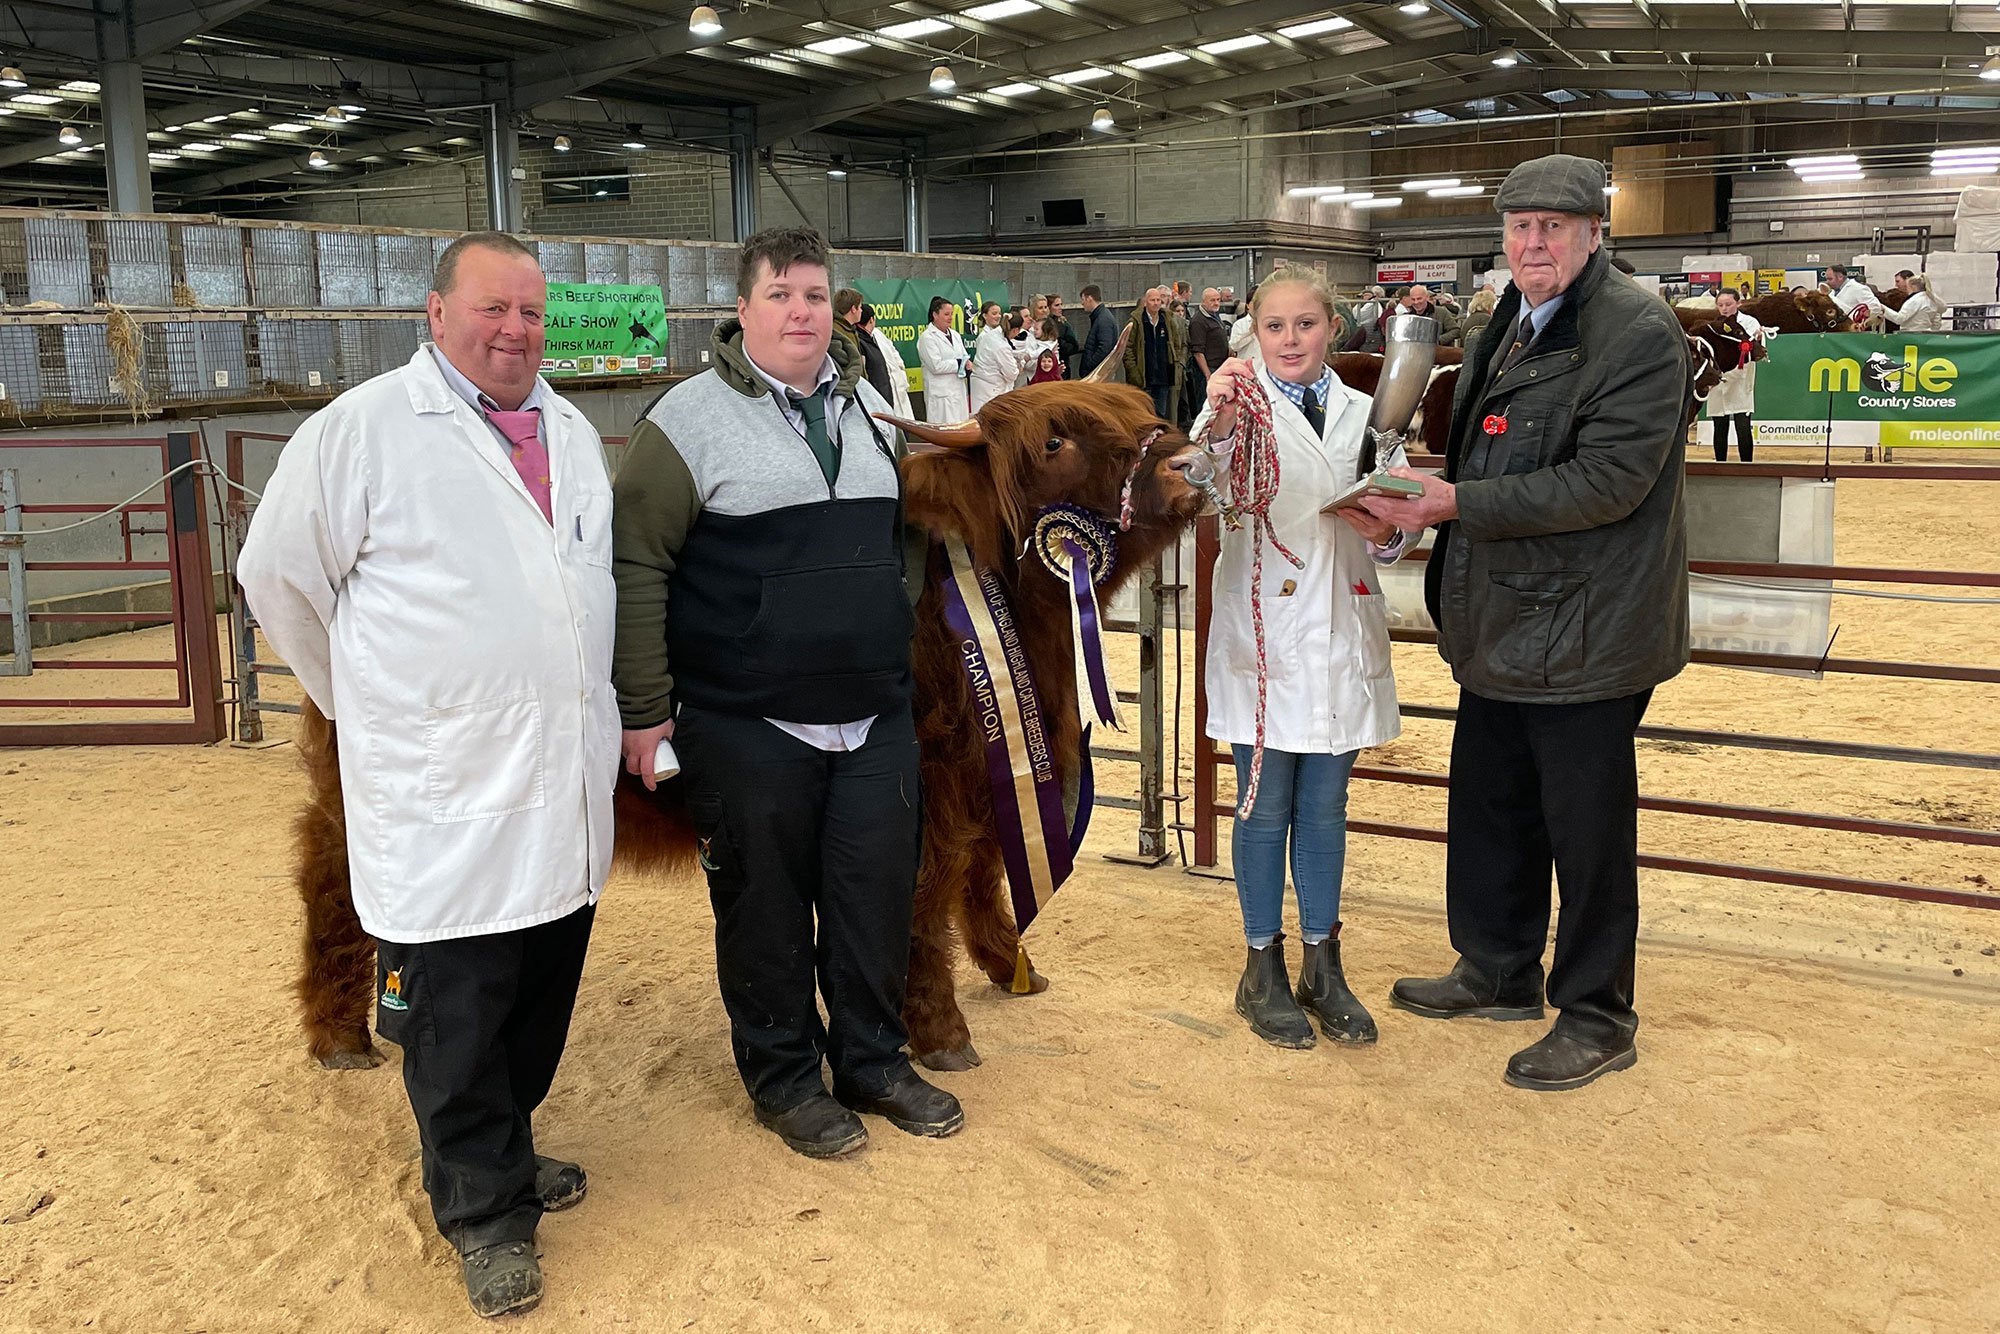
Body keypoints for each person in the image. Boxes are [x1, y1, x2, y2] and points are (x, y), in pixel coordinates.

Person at [237, 231, 616, 1319]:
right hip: (442, 790)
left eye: (532, 313)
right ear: (435, 311)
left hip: (558, 784)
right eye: (492, 308)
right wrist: (369, 702)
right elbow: (277, 578)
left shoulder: (574, 430)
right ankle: (485, 1212)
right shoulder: (361, 430)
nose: (515, 331)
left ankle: (500, 1150)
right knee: (453, 1011)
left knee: (535, 991)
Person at [611, 226, 961, 1161]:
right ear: (742, 309)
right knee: (764, 908)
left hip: (872, 711)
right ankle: (784, 1077)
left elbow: (898, 544)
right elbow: (636, 561)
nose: (801, 311)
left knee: (872, 896)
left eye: (814, 293)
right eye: (781, 295)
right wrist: (645, 709)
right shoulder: (682, 423)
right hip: (747, 716)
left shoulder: (868, 408)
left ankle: (874, 1061)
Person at [1360, 154, 1691, 1093]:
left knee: (1586, 828)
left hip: (1590, 626)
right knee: (1492, 800)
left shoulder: (1637, 332)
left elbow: (1609, 483)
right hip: (1505, 613)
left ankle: (1597, 1013)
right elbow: (1484, 447)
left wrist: (1453, 503)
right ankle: (1498, 968)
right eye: (1518, 226)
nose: (1532, 242)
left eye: (1553, 226)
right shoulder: (1510, 315)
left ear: (1595, 234)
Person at [1190, 268, 1416, 1050]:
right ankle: (1261, 966)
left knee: (1324, 806)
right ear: (1253, 333)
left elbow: (1398, 523)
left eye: (1307, 324)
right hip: (1266, 640)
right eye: (1276, 327)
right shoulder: (1232, 407)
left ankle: (1324, 961)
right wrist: (1215, 426)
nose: (1291, 340)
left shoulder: (1368, 409)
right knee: (1262, 805)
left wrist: (1392, 532)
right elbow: (1203, 485)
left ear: (1333, 328)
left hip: (1342, 624)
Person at [1706, 289, 1760, 462]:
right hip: (1719, 381)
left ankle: (1747, 465)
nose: (1724, 309)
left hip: (1740, 380)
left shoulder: (1750, 323)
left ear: (1739, 303)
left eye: (1728, 304)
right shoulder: (1712, 326)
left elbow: (1753, 351)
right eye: (1720, 305)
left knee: (1743, 426)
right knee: (1719, 426)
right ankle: (1720, 464)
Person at [1123, 285, 1187, 423]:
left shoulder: (1167, 320)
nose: (1156, 303)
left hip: (1163, 375)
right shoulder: (1136, 322)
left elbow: (1177, 344)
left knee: (1161, 413)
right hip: (1144, 376)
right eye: (1153, 300)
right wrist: (1134, 371)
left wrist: (1177, 362)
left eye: (1158, 300)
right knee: (1144, 413)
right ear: (1145, 302)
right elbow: (1128, 348)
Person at [835, 286, 896, 406]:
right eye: (860, 307)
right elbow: (846, 368)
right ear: (853, 309)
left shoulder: (850, 331)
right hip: (851, 399)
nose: (861, 311)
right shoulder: (836, 333)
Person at [916, 294, 971, 422]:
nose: (950, 318)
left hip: (958, 391)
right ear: (935, 315)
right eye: (946, 314)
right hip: (941, 395)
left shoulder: (956, 335)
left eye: (952, 314)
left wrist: (967, 363)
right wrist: (959, 363)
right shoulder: (927, 337)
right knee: (943, 433)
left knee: (960, 430)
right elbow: (936, 366)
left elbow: (964, 356)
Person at [971, 300, 1030, 410]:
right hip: (991, 388)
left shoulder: (995, 335)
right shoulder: (1000, 345)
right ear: (1016, 330)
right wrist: (1018, 365)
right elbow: (1011, 374)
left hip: (988, 386)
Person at [858, 303, 914, 418]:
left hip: (897, 388)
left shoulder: (878, 334)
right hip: (881, 393)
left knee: (904, 425)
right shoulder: (860, 340)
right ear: (872, 319)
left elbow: (894, 353)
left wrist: (900, 372)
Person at [1186, 287, 1229, 422]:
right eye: (1212, 300)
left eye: (1218, 300)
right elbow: (1198, 352)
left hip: (1220, 367)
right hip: (1207, 370)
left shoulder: (1215, 316)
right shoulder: (1199, 321)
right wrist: (1207, 375)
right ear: (1204, 301)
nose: (1216, 303)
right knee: (1206, 407)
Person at [1079, 284, 1121, 376]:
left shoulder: (1103, 319)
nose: (1082, 303)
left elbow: (1104, 347)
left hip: (1098, 373)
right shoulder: (1101, 317)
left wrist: (1090, 365)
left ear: (1089, 298)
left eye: (1083, 299)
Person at [1826, 264, 1879, 328]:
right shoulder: (1831, 293)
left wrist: (1865, 323)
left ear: (1840, 277)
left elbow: (1875, 307)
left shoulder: (1858, 288)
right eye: (1827, 279)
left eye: (1830, 279)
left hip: (1855, 333)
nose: (1827, 282)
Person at [1048, 293, 1081, 376]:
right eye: (1056, 305)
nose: (1060, 308)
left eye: (1061, 305)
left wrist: (1059, 342)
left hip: (1062, 365)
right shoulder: (1041, 325)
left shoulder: (1063, 324)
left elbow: (1074, 346)